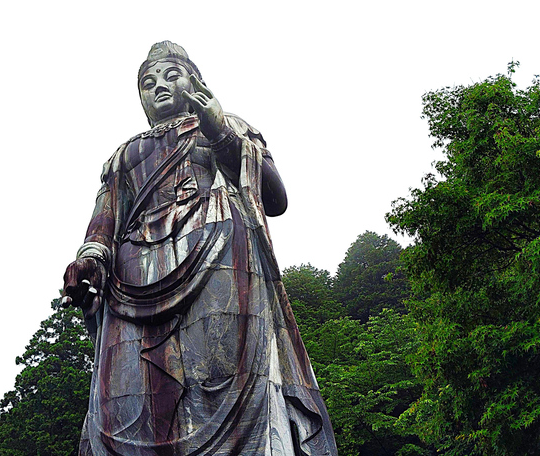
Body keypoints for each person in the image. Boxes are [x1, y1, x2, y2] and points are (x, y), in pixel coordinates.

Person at [63, 41, 338, 456]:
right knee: (129, 398)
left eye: (172, 76)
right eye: (148, 83)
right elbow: (106, 218)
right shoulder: (125, 154)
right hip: (133, 274)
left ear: (196, 81)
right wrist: (90, 258)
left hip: (218, 255)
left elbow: (275, 198)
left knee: (223, 374)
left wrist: (221, 132)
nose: (159, 87)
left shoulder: (226, 125)